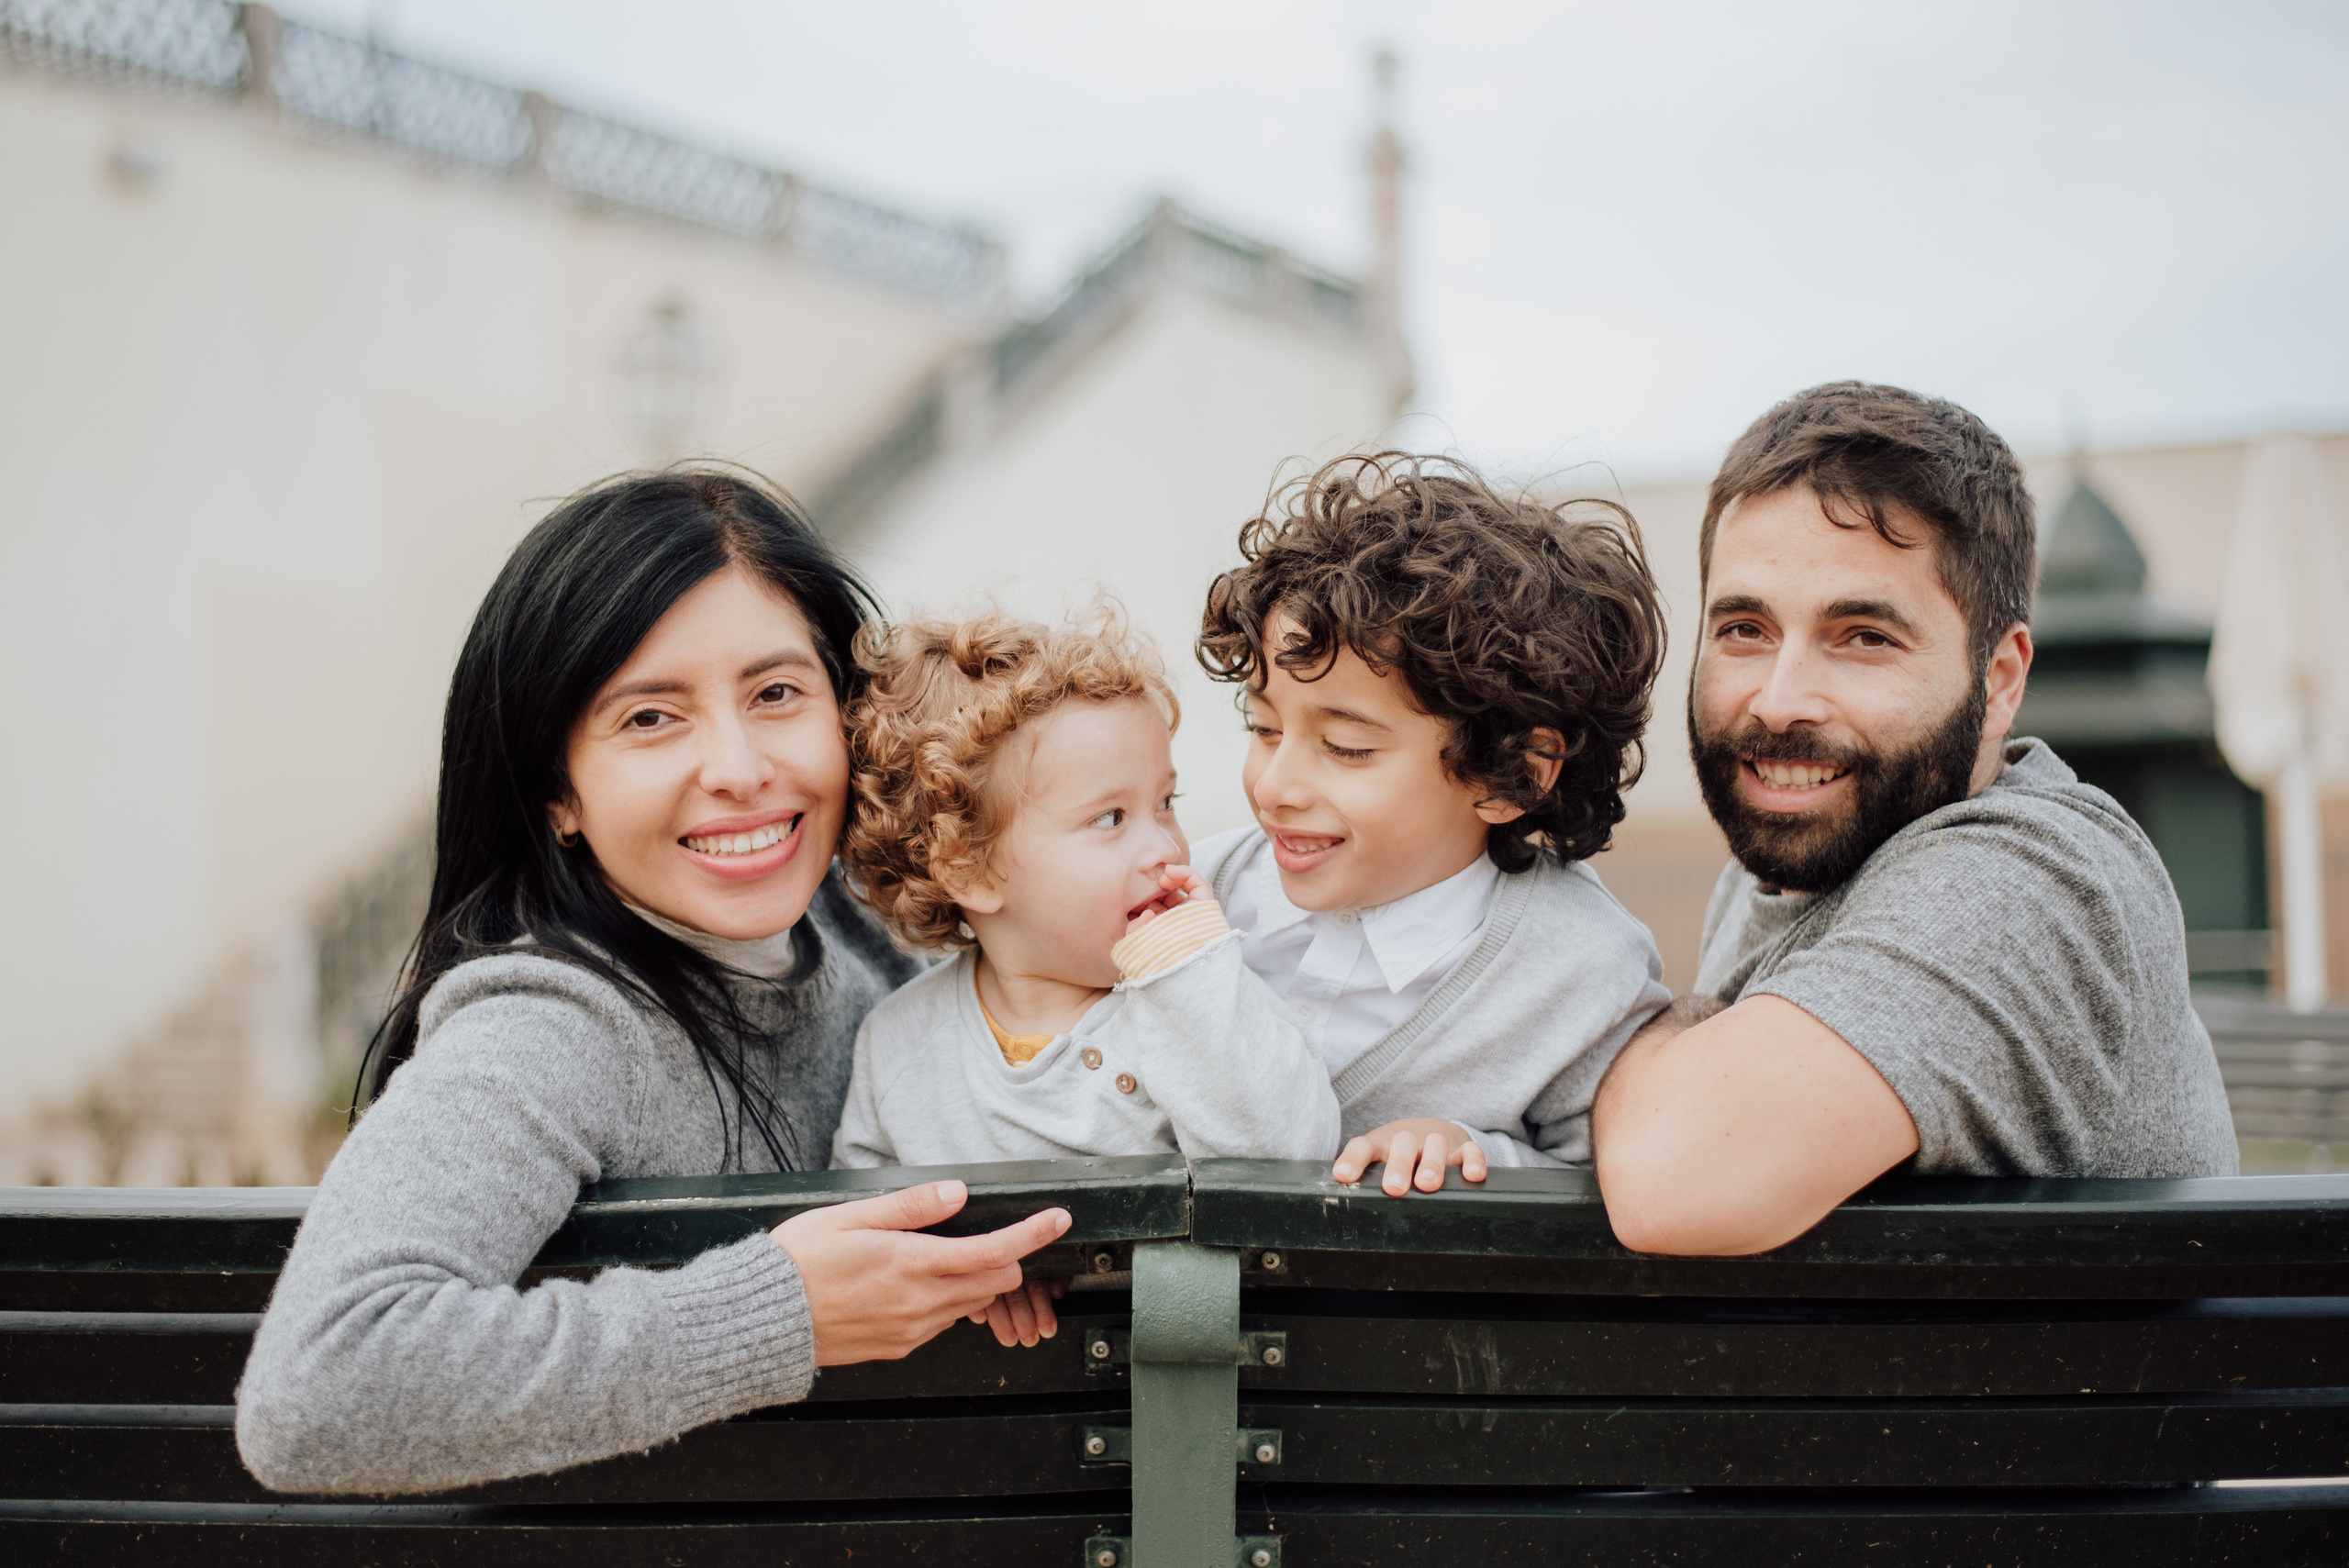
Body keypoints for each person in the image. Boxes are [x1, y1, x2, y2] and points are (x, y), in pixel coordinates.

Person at [235, 471, 1072, 1496]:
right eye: (648, 718)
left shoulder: (857, 930)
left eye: (776, 693)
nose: (737, 765)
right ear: (558, 793)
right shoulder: (551, 1027)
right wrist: (780, 1313)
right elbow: (319, 1390)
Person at [1593, 383, 2238, 1259]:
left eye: (1864, 636)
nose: (1780, 701)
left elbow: (1674, 1170)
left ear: (2000, 678)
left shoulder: (2031, 879)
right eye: (1744, 629)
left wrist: (1641, 1024)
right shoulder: (1784, 870)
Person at [1190, 452, 1674, 1195]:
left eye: (1346, 746)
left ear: (1510, 775)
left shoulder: (1581, 969)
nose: (1274, 785)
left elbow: (1624, 1187)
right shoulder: (1194, 895)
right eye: (1262, 728)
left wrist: (1482, 1158)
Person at [829, 609, 1341, 1173]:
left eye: (1165, 804)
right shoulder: (899, 1044)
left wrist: (1192, 979)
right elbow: (863, 1219)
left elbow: (1293, 1157)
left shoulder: (1199, 1000)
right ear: (967, 870)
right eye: (1109, 819)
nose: (1166, 850)